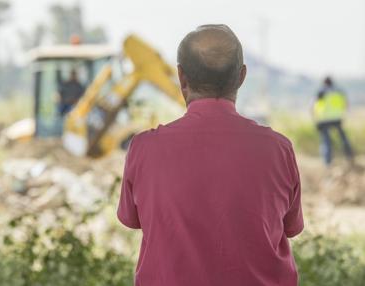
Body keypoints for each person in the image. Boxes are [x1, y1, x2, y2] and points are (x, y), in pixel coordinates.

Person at [117, 25, 303, 286]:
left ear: (182, 77)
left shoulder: (143, 148)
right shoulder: (279, 149)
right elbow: (291, 227)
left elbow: (131, 219)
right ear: (241, 77)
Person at [313, 76, 353, 166]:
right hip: (337, 119)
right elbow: (346, 104)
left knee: (326, 141)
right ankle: (349, 156)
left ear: (324, 83)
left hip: (323, 120)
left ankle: (327, 163)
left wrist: (315, 119)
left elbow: (313, 106)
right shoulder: (339, 91)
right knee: (343, 138)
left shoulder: (321, 92)